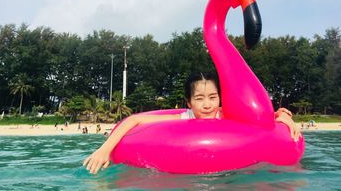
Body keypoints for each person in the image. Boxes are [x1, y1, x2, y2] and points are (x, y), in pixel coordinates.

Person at [83, 72, 300, 174]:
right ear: (188, 102)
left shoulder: (226, 115)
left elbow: (267, 118)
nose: (207, 105)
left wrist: (284, 117)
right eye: (199, 98)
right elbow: (135, 119)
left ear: (220, 98)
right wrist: (104, 150)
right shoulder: (185, 117)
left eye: (213, 97)